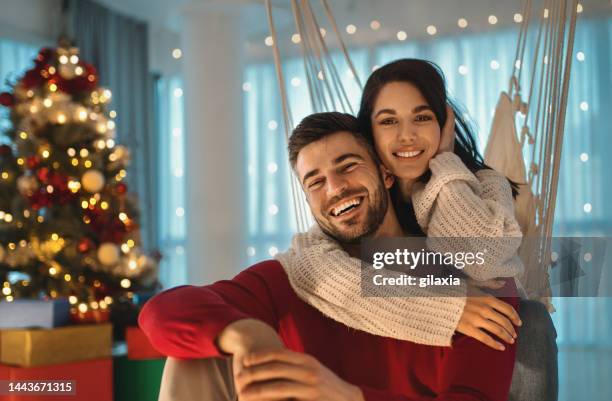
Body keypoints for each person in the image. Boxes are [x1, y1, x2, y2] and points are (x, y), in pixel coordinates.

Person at [139, 112, 521, 401]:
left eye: (348, 166)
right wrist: (246, 334)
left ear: (386, 173)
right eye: (316, 182)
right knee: (195, 357)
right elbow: (163, 312)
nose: (335, 188)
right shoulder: (294, 275)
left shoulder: (474, 274)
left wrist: (348, 396)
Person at [281, 59, 525, 349]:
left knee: (533, 322)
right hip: (414, 344)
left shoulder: (484, 183)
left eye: (421, 118)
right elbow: (314, 266)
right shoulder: (364, 197)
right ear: (370, 134)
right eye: (388, 121)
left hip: (498, 338)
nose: (406, 136)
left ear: (443, 123)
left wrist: (446, 164)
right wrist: (447, 306)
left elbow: (485, 259)